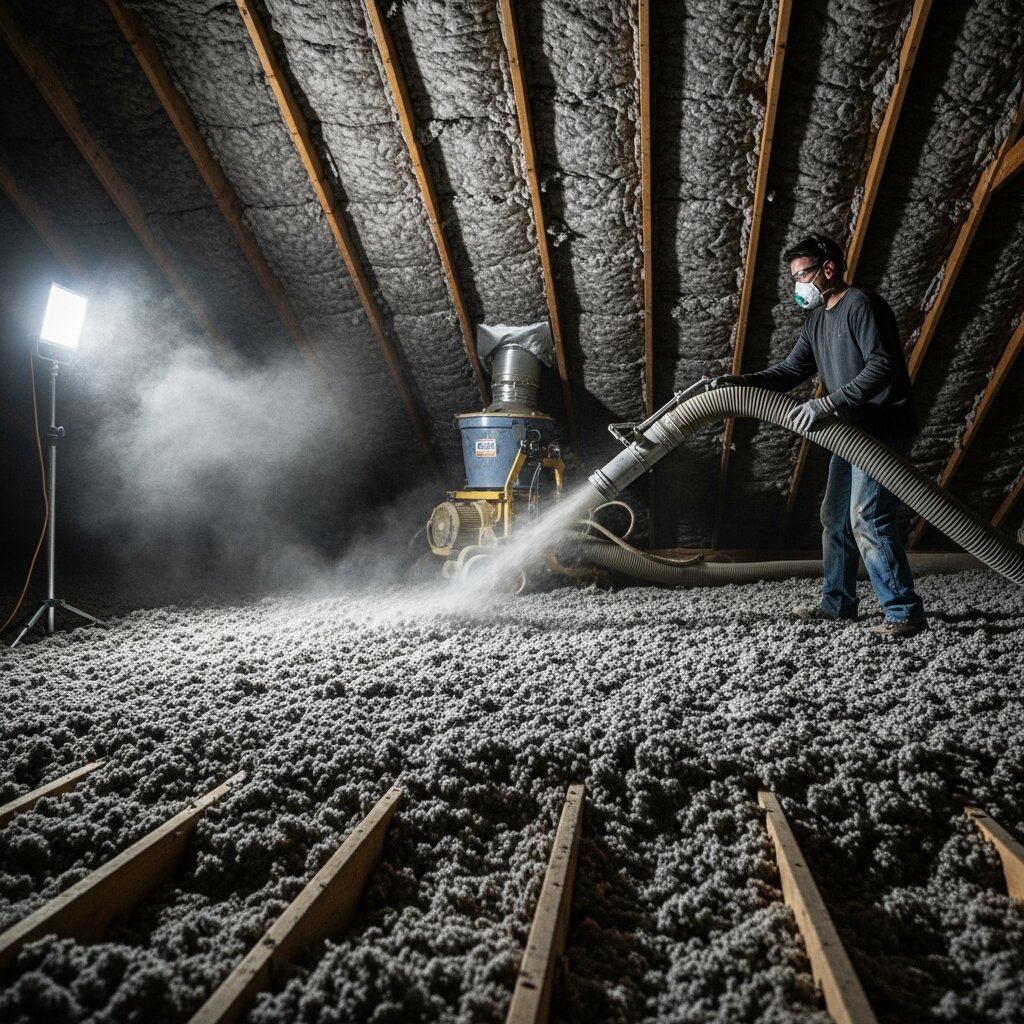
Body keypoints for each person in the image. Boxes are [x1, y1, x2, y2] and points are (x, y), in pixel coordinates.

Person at [711, 232, 927, 637]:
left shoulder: (862, 305)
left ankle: (904, 614)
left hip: (882, 429)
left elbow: (883, 367)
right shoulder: (816, 319)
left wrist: (826, 404)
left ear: (828, 269)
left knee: (868, 517)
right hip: (850, 432)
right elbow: (791, 370)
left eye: (803, 274)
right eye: (794, 277)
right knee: (834, 517)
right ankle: (838, 605)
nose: (798, 285)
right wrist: (738, 382)